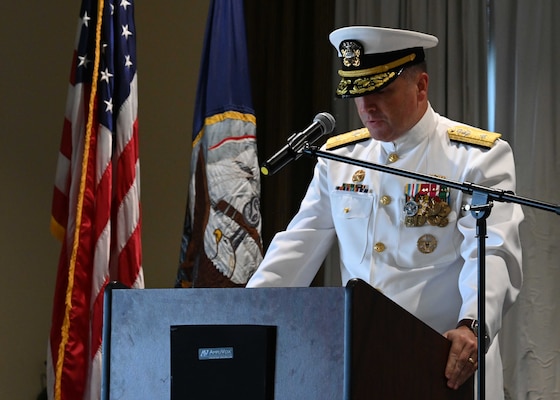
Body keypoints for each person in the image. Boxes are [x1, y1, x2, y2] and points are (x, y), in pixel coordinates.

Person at [246, 26, 523, 399]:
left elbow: (493, 253)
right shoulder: (340, 159)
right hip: (363, 364)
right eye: (357, 93)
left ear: (420, 86)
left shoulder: (476, 158)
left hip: (444, 361)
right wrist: (242, 313)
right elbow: (297, 245)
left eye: (380, 90)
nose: (366, 106)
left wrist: (473, 325)